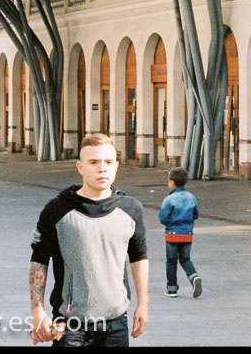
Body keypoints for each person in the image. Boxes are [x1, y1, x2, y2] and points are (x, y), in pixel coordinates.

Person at [28, 133, 149, 346]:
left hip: (115, 324)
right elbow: (39, 259)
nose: (102, 168)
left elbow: (139, 255)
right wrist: (37, 311)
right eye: (93, 162)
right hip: (70, 324)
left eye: (108, 162)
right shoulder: (57, 209)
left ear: (116, 166)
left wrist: (143, 304)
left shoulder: (131, 209)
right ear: (80, 167)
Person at [158, 166, 203, 299]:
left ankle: (172, 288)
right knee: (185, 259)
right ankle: (194, 277)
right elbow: (196, 214)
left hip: (172, 234)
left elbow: (163, 218)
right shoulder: (191, 197)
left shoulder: (169, 199)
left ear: (171, 182)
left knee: (171, 261)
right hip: (187, 234)